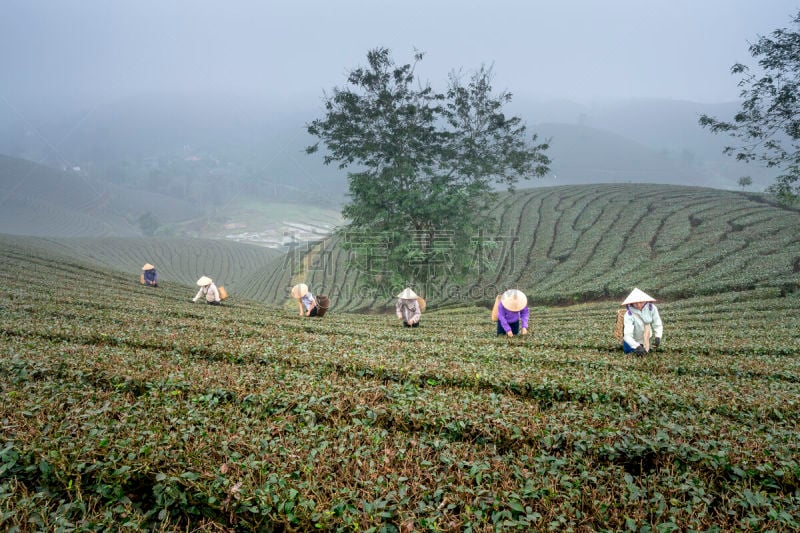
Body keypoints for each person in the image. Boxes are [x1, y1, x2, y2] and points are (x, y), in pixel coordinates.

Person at [621, 288, 663, 355]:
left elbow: (657, 323)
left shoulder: (651, 308)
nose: (639, 305)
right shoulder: (629, 314)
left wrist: (658, 336)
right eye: (635, 303)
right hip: (632, 340)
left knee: (645, 353)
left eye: (641, 302)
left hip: (646, 337)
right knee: (630, 353)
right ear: (631, 303)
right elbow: (627, 335)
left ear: (645, 301)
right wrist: (637, 346)